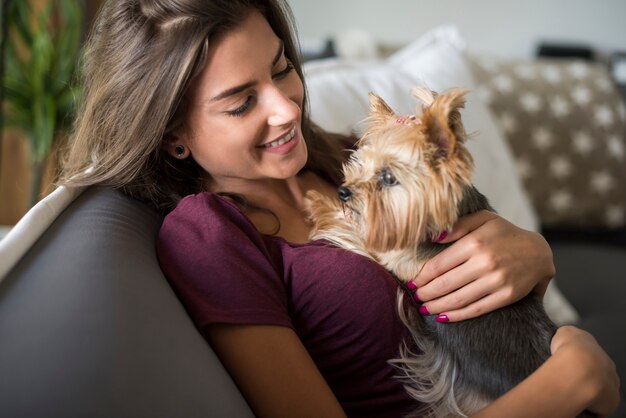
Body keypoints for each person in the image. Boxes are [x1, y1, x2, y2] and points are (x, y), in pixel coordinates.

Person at [59, 0, 620, 417]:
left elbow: (491, 300)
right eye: (242, 102)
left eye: (281, 69)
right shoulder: (210, 235)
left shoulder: (347, 160)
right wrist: (568, 382)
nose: (287, 107)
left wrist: (533, 255)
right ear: (173, 134)